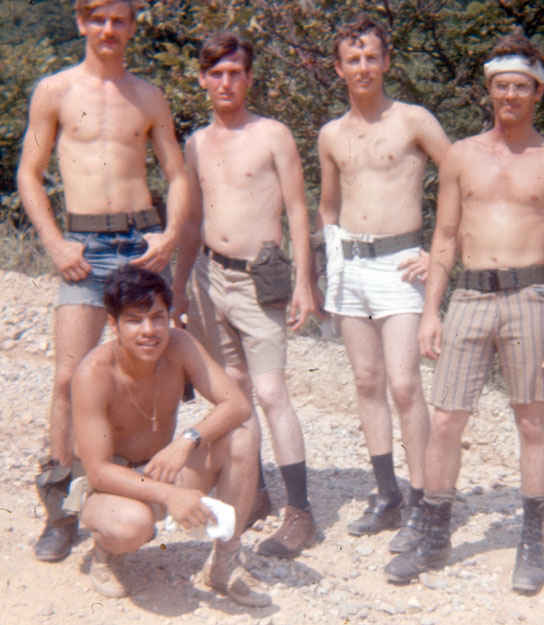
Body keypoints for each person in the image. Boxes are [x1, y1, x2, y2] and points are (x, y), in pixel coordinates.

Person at [384, 28, 544, 594]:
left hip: (529, 297)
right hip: (469, 295)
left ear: (537, 92)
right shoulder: (461, 158)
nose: (511, 97)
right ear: (489, 91)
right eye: (501, 86)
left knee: (531, 419)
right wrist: (430, 312)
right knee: (446, 417)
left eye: (521, 86)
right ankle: (433, 530)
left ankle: (532, 539)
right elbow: (443, 237)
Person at [16, 0, 188, 563]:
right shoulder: (55, 92)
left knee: (144, 367)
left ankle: (128, 480)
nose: (109, 30)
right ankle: (60, 508)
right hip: (84, 248)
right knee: (68, 376)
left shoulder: (148, 96)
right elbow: (30, 173)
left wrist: (169, 236)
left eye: (119, 20)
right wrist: (53, 242)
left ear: (131, 26)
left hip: (141, 244)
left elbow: (178, 175)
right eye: (99, 19)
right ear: (81, 23)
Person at [173, 32, 318, 559]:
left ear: (249, 78)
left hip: (263, 277)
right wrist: (178, 289)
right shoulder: (195, 143)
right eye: (217, 73)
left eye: (236, 73)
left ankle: (299, 512)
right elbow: (190, 220)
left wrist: (305, 279)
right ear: (204, 79)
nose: (226, 82)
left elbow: (299, 210)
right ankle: (252, 493)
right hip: (211, 278)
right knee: (233, 393)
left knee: (272, 391)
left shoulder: (273, 135)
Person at [316, 14, 449, 550]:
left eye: (372, 56)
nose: (364, 67)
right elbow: (327, 205)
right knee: (367, 383)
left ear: (387, 61)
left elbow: (461, 177)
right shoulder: (331, 134)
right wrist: (329, 267)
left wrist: (440, 255)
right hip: (349, 265)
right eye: (354, 59)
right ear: (339, 68)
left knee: (403, 384)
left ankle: (422, 500)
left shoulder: (413, 120)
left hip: (401, 264)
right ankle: (386, 494)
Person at [69, 264, 270, 607]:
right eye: (135, 320)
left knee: (243, 434)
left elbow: (236, 404)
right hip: (108, 484)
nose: (149, 331)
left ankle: (224, 562)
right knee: (133, 525)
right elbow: (99, 471)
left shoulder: (179, 344)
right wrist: (170, 496)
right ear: (113, 324)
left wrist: (187, 440)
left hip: (159, 466)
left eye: (158, 317)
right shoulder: (94, 373)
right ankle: (105, 553)